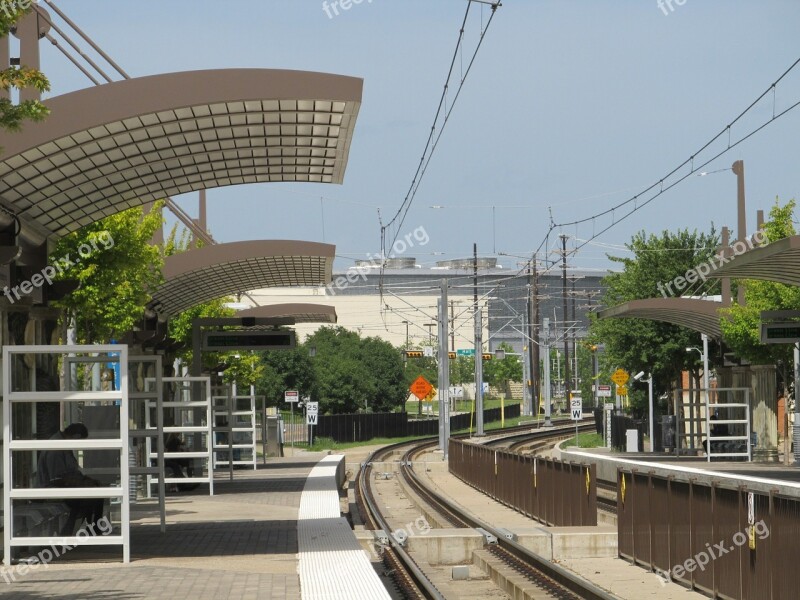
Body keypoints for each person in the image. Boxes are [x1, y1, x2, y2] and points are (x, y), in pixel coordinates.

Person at [36, 423, 105, 536]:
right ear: (76, 436)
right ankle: (78, 531)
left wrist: (87, 481)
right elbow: (57, 479)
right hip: (53, 491)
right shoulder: (56, 448)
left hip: (65, 487)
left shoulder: (64, 446)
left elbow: (72, 472)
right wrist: (82, 484)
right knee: (87, 500)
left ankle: (93, 529)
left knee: (97, 493)